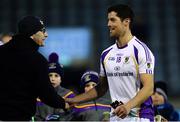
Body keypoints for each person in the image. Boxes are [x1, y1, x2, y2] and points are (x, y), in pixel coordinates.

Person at [66, 4, 155, 122]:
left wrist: (127, 106)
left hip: (140, 117)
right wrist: (74, 100)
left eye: (113, 20)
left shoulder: (141, 51)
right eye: (108, 20)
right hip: (116, 117)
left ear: (126, 22)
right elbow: (101, 89)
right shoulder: (106, 54)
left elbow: (148, 88)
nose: (108, 24)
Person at [0, 15, 68, 121]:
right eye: (43, 31)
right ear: (32, 34)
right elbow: (46, 94)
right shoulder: (37, 60)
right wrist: (63, 103)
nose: (46, 35)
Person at [34, 52, 75, 121]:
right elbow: (34, 117)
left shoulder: (69, 95)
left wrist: (60, 120)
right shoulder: (38, 95)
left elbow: (73, 115)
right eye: (50, 75)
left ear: (61, 79)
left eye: (56, 76)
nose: (52, 79)